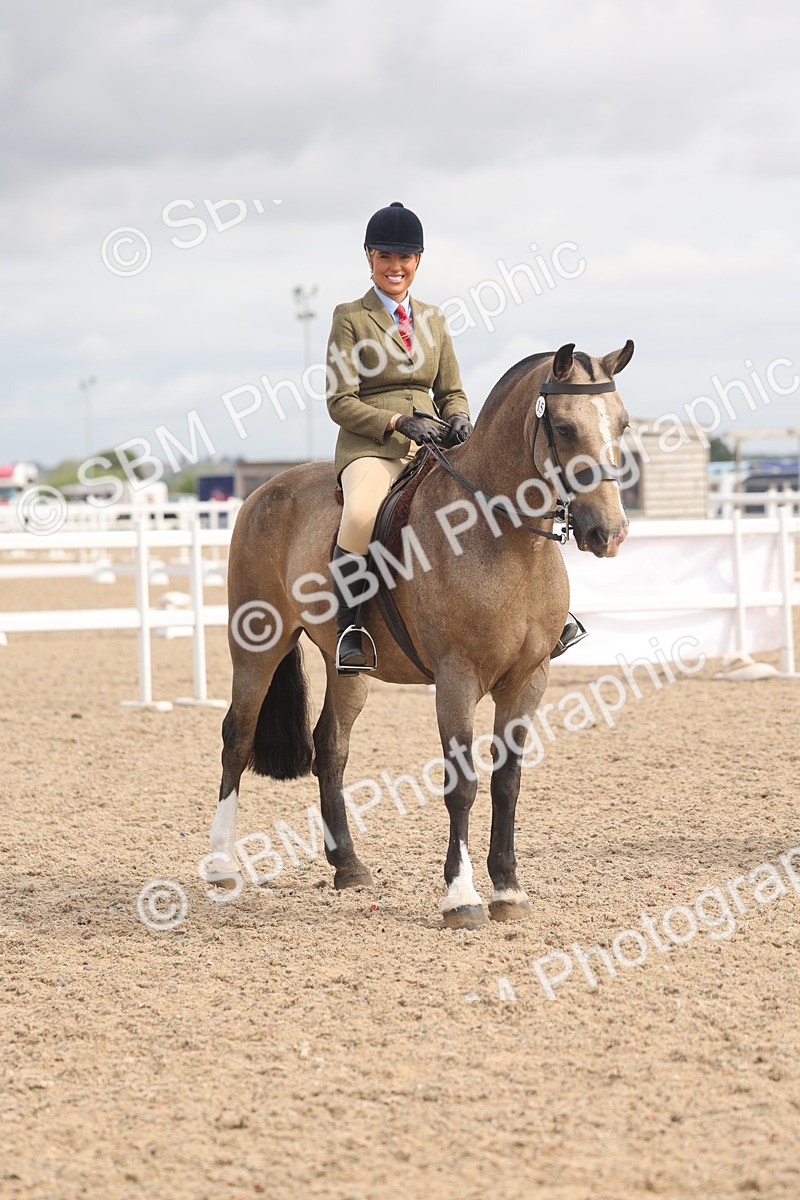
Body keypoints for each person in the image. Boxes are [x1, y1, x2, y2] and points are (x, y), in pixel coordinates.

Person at [325, 201, 472, 672]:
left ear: (418, 261)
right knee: (363, 512)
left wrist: (462, 418)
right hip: (373, 446)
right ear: (369, 258)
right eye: (385, 256)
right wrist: (395, 422)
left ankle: (539, 617)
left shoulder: (434, 318)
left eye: (405, 258)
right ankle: (350, 628)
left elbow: (451, 390)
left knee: (492, 493)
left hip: (434, 441)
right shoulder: (350, 316)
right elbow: (340, 401)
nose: (396, 267)